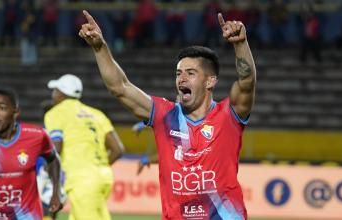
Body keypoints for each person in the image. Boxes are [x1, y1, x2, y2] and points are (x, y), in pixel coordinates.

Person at [79, 9, 256, 219]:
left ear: (210, 81)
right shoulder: (164, 115)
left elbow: (247, 83)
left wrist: (240, 45)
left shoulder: (228, 115)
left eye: (191, 73)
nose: (181, 79)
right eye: (178, 73)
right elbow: (120, 87)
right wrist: (100, 47)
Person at [43, 74, 124, 220]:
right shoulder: (96, 114)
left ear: (61, 93)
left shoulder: (55, 113)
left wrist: (46, 170)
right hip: (103, 177)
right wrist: (97, 168)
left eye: (54, 90)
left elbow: (57, 148)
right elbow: (118, 149)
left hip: (82, 180)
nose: (53, 95)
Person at [0, 88, 63, 219]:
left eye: (2, 108)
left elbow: (53, 159)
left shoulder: (36, 136)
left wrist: (56, 193)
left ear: (15, 112)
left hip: (27, 215)